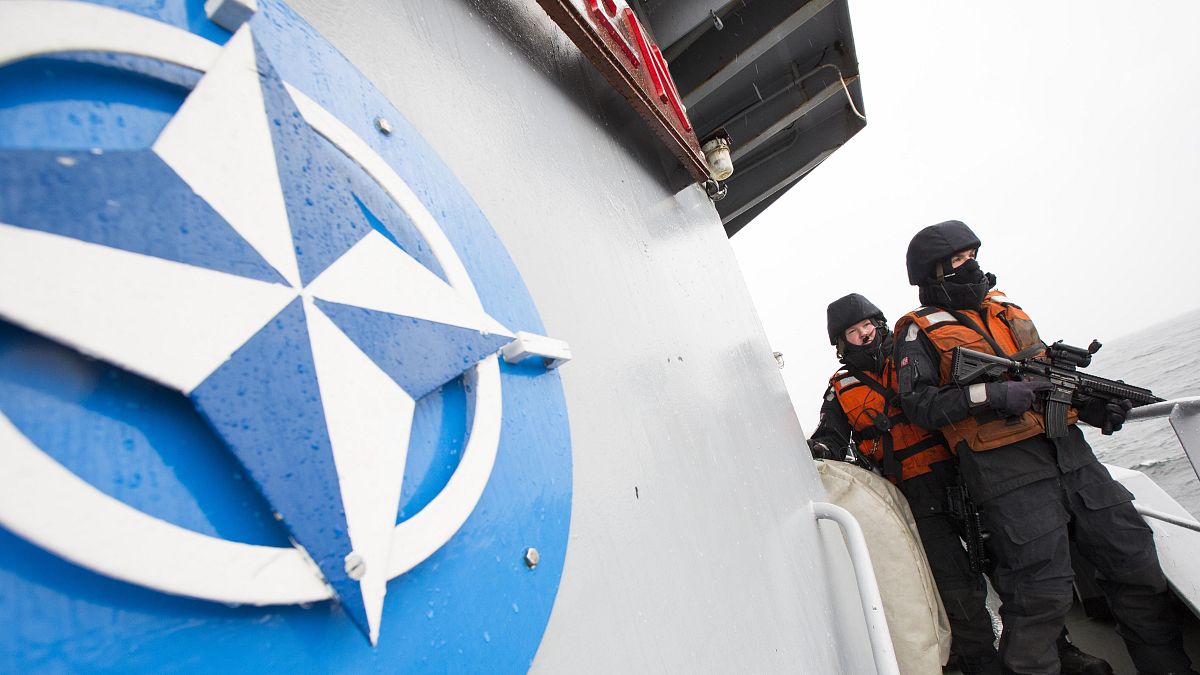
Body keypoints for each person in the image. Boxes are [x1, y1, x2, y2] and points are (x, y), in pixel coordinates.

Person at [892, 220, 1196, 675]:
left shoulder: (1005, 310)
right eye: (957, 261)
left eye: (972, 256)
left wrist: (1093, 408)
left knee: (1134, 562)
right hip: (1008, 474)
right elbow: (919, 405)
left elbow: (1043, 379)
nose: (970, 265)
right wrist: (993, 396)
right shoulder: (917, 333)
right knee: (1041, 594)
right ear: (932, 273)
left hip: (1072, 458)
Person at [810, 293, 1000, 675]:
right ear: (842, 342)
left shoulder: (912, 356)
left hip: (963, 475)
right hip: (915, 495)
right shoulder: (841, 388)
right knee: (955, 586)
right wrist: (815, 450)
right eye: (854, 330)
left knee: (1007, 563)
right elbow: (830, 436)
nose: (865, 333)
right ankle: (982, 663)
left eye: (868, 324)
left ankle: (1052, 648)